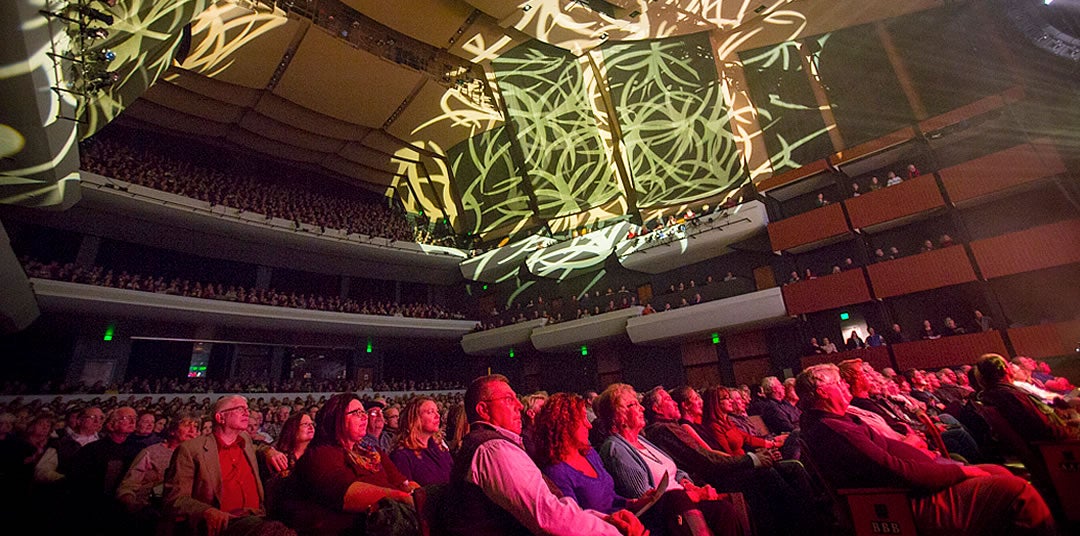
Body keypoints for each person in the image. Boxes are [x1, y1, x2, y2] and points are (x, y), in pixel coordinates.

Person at [797, 363, 1055, 535]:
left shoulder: (842, 420)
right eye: (840, 382)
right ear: (823, 391)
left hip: (921, 485)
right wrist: (960, 473)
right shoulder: (833, 429)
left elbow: (891, 448)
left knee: (997, 471)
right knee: (1018, 490)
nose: (845, 386)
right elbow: (897, 471)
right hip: (907, 503)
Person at [440, 374, 645, 536]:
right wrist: (613, 531)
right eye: (508, 399)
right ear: (483, 410)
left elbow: (550, 509)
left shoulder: (495, 445)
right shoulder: (492, 449)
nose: (519, 406)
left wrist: (603, 519)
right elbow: (547, 516)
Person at [585, 387, 740, 536]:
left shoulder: (641, 440)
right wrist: (694, 495)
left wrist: (687, 483)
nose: (642, 409)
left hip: (682, 500)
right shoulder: (615, 449)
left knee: (729, 507)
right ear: (617, 416)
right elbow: (646, 497)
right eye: (633, 405)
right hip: (665, 513)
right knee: (719, 508)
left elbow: (673, 469)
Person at [288, 393, 417, 535]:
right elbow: (344, 492)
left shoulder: (371, 451)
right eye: (356, 413)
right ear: (336, 418)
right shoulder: (320, 454)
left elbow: (401, 482)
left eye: (364, 412)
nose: (364, 416)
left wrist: (419, 494)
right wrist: (398, 496)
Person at [164, 395, 288, 536]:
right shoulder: (191, 450)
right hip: (226, 523)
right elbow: (175, 499)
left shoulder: (245, 440)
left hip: (258, 516)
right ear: (220, 417)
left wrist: (268, 451)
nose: (247, 413)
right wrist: (206, 510)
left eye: (247, 409)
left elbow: (256, 448)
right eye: (240, 409)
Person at [117, 412, 200, 532]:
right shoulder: (151, 453)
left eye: (196, 426)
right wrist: (134, 505)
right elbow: (128, 486)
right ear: (172, 430)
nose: (192, 430)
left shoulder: (198, 457)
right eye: (187, 425)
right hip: (151, 515)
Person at [975, 354, 1078, 443]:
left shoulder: (993, 395)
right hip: (1057, 445)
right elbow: (1046, 430)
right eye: (1008, 365)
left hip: (1050, 438)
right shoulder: (1011, 396)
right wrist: (1072, 426)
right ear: (1005, 369)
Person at [389, 395, 452, 486]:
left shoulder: (440, 450)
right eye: (430, 412)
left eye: (437, 411)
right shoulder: (401, 456)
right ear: (414, 418)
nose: (437, 416)